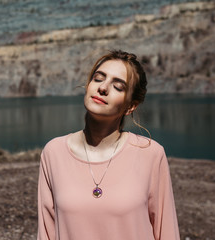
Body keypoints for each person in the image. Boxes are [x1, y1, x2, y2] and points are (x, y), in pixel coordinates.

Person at [37, 50, 180, 240]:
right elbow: (46, 233)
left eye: (118, 87)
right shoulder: (54, 152)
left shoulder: (151, 154)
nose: (103, 88)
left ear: (131, 106)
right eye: (98, 79)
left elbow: (166, 232)